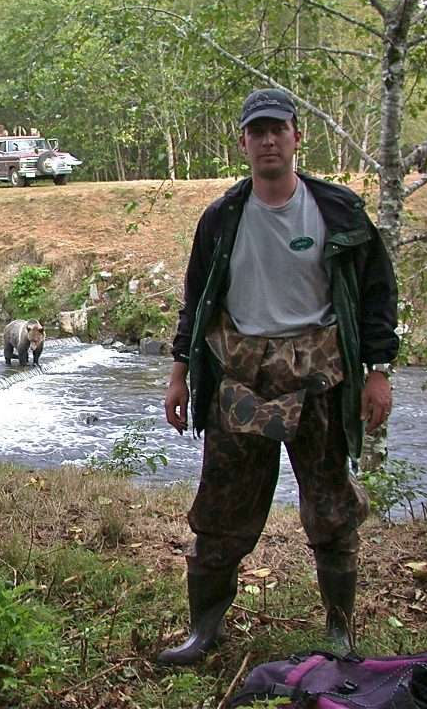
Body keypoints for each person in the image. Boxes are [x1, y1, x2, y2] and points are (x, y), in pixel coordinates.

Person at [160, 89, 398, 665]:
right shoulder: (221, 219)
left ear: (296, 137)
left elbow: (375, 294)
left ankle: (340, 632)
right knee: (219, 513)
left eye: (279, 129)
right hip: (240, 383)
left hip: (321, 378)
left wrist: (379, 371)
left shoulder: (338, 211)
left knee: (331, 511)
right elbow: (198, 301)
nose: (269, 140)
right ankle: (204, 631)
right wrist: (179, 374)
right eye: (257, 131)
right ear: (243, 142)